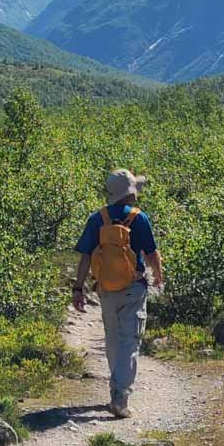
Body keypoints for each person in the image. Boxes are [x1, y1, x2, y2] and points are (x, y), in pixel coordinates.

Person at [72, 168, 165, 418]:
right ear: (130, 193)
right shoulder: (139, 218)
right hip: (133, 288)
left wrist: (78, 288)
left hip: (105, 289)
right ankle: (120, 396)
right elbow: (151, 253)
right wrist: (158, 275)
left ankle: (116, 387)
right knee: (129, 341)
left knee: (112, 339)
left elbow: (85, 257)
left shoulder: (97, 219)